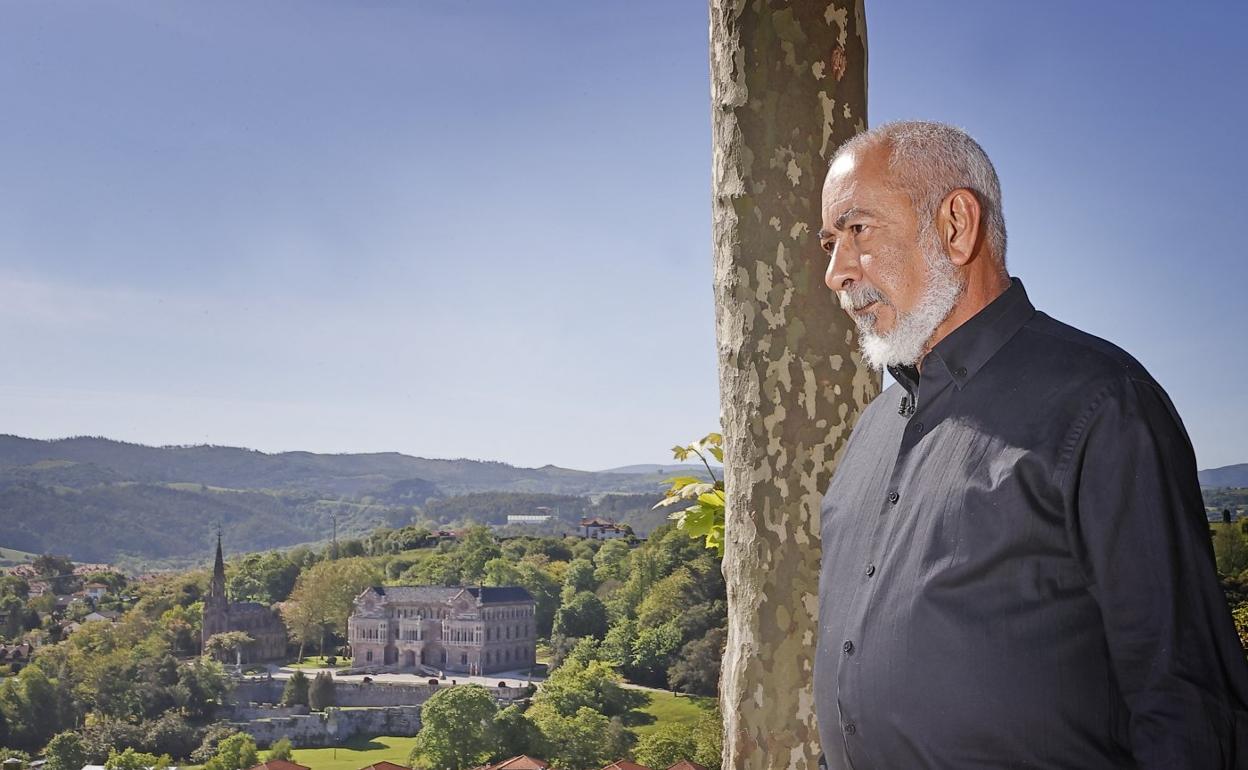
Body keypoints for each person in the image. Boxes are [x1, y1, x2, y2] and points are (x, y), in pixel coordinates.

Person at [813, 121, 1248, 769]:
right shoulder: (870, 432)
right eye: (828, 242)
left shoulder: (1102, 404)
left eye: (857, 231)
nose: (835, 272)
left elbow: (1184, 701)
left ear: (957, 225)